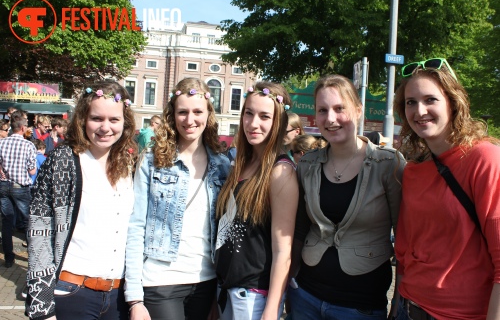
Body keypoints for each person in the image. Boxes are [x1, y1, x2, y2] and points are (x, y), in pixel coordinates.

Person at [289, 74, 405, 320]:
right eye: (322, 110)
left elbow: (405, 239)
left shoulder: (388, 163)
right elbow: (300, 228)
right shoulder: (307, 164)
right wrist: (291, 280)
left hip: (359, 305)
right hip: (305, 297)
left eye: (339, 108)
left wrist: (398, 302)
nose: (330, 119)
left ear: (358, 110)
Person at [393, 58, 500, 319]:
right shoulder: (413, 171)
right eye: (411, 102)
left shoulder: (484, 159)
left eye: (430, 99)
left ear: (453, 102)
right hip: (409, 307)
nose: (419, 111)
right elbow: (405, 255)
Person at [26, 81, 137, 320]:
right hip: (72, 291)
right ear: (83, 119)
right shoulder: (63, 160)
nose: (105, 127)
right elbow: (39, 232)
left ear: (125, 123)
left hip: (118, 296)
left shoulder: (128, 164)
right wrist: (42, 306)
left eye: (114, 120)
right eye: (97, 118)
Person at [125, 78, 231, 320]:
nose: (190, 120)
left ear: (208, 114)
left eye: (197, 112)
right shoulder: (152, 161)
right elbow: (136, 226)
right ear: (172, 115)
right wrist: (134, 297)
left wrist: (220, 289)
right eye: (182, 112)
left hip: (206, 281)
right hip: (161, 282)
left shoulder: (223, 165)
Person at [215, 82, 299, 320]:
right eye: (249, 113)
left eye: (264, 116)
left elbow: (284, 250)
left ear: (278, 122)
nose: (253, 124)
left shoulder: (281, 172)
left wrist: (272, 309)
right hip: (227, 288)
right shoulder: (242, 162)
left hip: (254, 296)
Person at [0, 111, 37, 268]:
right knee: (29, 220)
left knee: (7, 221)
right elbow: (32, 171)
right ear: (22, 128)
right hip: (20, 187)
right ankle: (33, 255)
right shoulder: (28, 145)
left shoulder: (1, 143)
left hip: (3, 185)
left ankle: (9, 257)